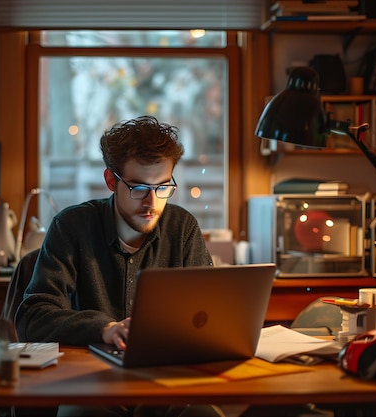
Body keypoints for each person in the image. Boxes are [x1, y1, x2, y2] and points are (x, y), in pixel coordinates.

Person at [15, 115, 223, 417]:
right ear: (111, 181)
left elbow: (212, 315)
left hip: (166, 387)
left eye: (163, 187)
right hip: (90, 384)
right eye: (139, 188)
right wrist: (105, 329)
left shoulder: (183, 228)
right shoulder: (72, 226)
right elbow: (33, 316)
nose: (152, 202)